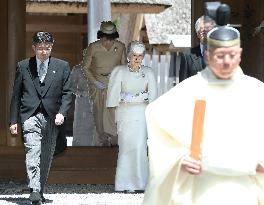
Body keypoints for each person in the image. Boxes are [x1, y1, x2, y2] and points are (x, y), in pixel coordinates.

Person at [143, 25, 264, 205]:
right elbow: (157, 120)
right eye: (220, 56)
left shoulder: (255, 90)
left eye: (232, 55)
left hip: (245, 185)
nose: (226, 62)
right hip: (203, 186)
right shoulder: (190, 89)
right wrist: (178, 159)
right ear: (207, 56)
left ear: (240, 53)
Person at [9, 31, 72, 205]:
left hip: (52, 117)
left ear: (51, 47)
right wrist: (13, 120)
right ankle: (34, 189)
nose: (44, 52)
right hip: (29, 114)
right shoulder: (23, 66)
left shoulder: (62, 67)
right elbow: (16, 94)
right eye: (40, 48)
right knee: (32, 150)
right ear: (34, 48)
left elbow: (68, 93)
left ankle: (40, 190)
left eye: (47, 48)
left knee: (46, 155)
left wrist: (62, 112)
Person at [106, 41, 157, 192]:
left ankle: (142, 183)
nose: (137, 58)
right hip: (125, 115)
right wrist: (135, 97)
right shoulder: (119, 71)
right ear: (129, 55)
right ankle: (125, 184)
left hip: (141, 115)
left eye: (140, 56)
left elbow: (153, 95)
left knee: (140, 147)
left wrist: (135, 97)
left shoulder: (148, 72)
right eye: (134, 55)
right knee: (126, 148)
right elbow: (113, 96)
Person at [82, 21, 126, 146]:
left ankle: (114, 138)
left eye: (111, 37)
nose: (108, 41)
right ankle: (103, 138)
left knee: (114, 111)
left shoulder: (120, 47)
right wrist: (95, 82)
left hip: (114, 83)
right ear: (101, 35)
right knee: (99, 111)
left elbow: (124, 67)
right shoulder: (93, 47)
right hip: (97, 84)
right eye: (105, 37)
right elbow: (85, 67)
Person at [179, 15, 216, 82]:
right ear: (198, 34)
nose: (207, 35)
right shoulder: (187, 55)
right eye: (203, 32)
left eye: (209, 31)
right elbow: (183, 85)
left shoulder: (221, 54)